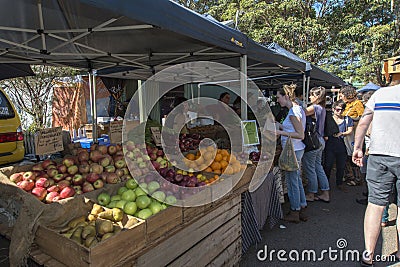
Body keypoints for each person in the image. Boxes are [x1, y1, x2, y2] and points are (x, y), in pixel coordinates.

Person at [352, 81, 400, 266]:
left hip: (379, 155)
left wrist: (357, 148)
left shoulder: (380, 94)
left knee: (375, 204)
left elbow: (364, 121)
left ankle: (369, 254)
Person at [274, 84, 307, 223]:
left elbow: (300, 134)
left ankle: (295, 211)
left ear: (286, 96)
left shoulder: (293, 112)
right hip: (296, 149)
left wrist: (280, 132)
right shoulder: (297, 109)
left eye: (278, 97)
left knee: (292, 181)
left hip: (292, 150)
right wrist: (280, 125)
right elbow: (293, 128)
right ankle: (302, 206)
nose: (277, 100)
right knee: (297, 180)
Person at [302, 86, 330, 202]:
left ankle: (311, 193)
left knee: (310, 168)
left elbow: (301, 113)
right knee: (318, 167)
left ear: (317, 97)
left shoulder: (314, 107)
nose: (309, 97)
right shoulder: (322, 108)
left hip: (314, 142)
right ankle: (325, 192)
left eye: (311, 95)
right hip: (320, 140)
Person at [323, 100, 353, 192]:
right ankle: (325, 184)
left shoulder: (347, 119)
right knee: (328, 165)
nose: (339, 112)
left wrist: (342, 133)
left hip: (342, 145)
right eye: (337, 109)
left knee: (341, 166)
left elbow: (350, 130)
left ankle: (339, 183)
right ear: (333, 109)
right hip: (330, 144)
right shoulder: (328, 119)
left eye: (342, 110)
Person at [340, 85, 364, 186]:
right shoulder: (347, 105)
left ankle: (358, 178)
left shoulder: (357, 104)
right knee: (346, 156)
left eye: (342, 95)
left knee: (352, 156)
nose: (341, 97)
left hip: (353, 134)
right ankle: (350, 175)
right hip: (346, 134)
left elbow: (363, 119)